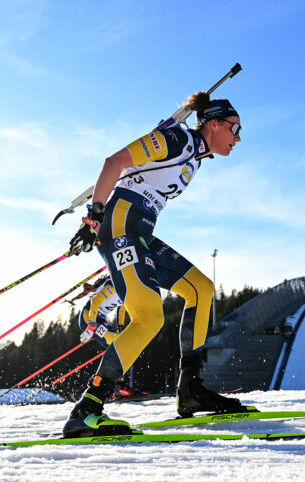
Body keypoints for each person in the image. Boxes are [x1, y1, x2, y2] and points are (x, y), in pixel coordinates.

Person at [65, 92, 244, 437]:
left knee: (202, 289)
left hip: (141, 232)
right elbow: (114, 162)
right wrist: (92, 220)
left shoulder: (193, 154)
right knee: (149, 316)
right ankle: (86, 411)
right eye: (235, 128)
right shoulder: (176, 139)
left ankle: (191, 390)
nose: (238, 138)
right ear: (215, 123)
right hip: (120, 227)